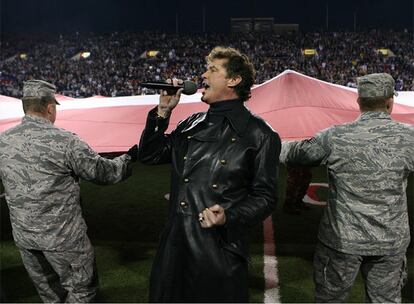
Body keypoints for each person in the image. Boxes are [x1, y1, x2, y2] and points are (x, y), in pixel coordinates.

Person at [138, 46, 281, 302]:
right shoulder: (191, 123)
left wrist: (230, 215)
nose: (203, 75)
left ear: (234, 80)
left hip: (219, 250)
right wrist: (163, 112)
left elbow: (265, 197)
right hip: (174, 245)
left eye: (212, 70)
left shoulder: (260, 134)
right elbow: (149, 156)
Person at [280, 73, 413, 303]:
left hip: (341, 241)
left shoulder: (335, 136)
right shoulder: (409, 137)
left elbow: (295, 154)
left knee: (330, 300)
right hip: (390, 241)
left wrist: (269, 141)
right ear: (390, 102)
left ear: (359, 102)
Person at [0, 80, 138, 303]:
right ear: (50, 108)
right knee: (82, 291)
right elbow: (105, 173)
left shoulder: (4, 140)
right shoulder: (65, 141)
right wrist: (129, 158)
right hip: (63, 239)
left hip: (26, 239)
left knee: (50, 295)